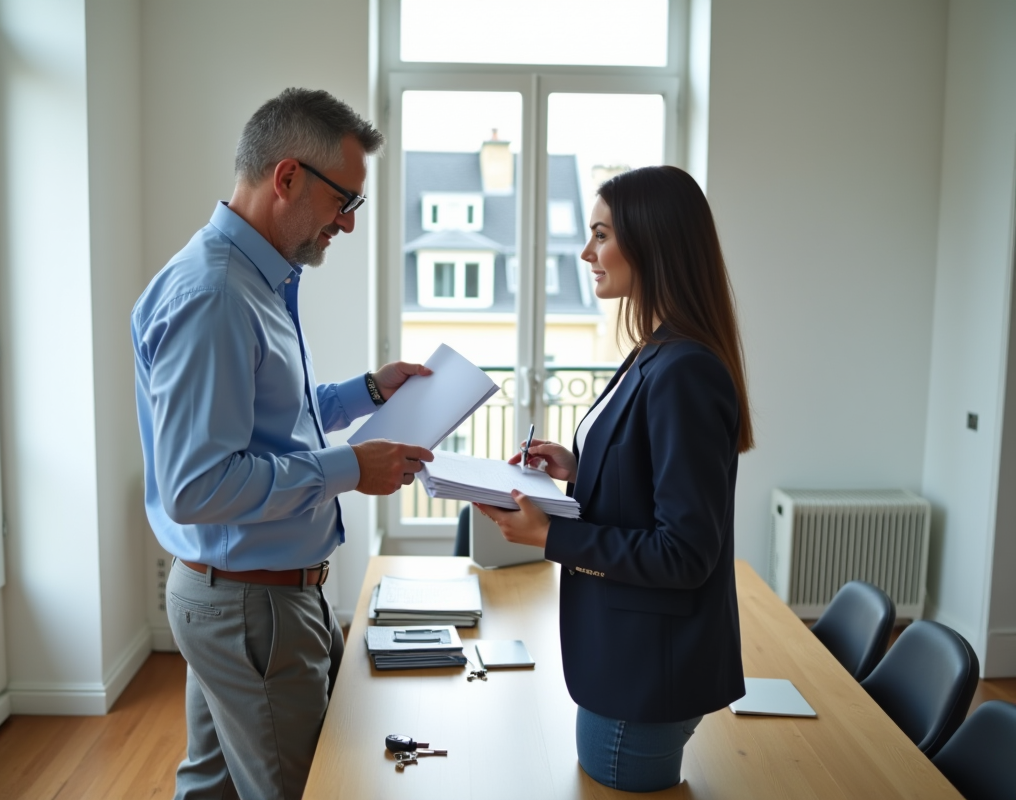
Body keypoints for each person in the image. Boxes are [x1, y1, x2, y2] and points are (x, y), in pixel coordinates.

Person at [131, 88, 435, 800]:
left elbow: (276, 423)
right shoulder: (217, 296)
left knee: (212, 789)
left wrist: (370, 391)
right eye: (345, 203)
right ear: (288, 177)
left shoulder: (253, 281)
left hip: (242, 598)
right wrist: (349, 469)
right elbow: (198, 486)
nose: (348, 225)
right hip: (249, 606)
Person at [476, 165, 753, 793]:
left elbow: (683, 553)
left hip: (645, 670)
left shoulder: (684, 368)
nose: (585, 252)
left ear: (652, 241)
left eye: (600, 235)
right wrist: (581, 468)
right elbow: (650, 471)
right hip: (627, 654)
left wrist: (552, 537)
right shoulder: (654, 350)